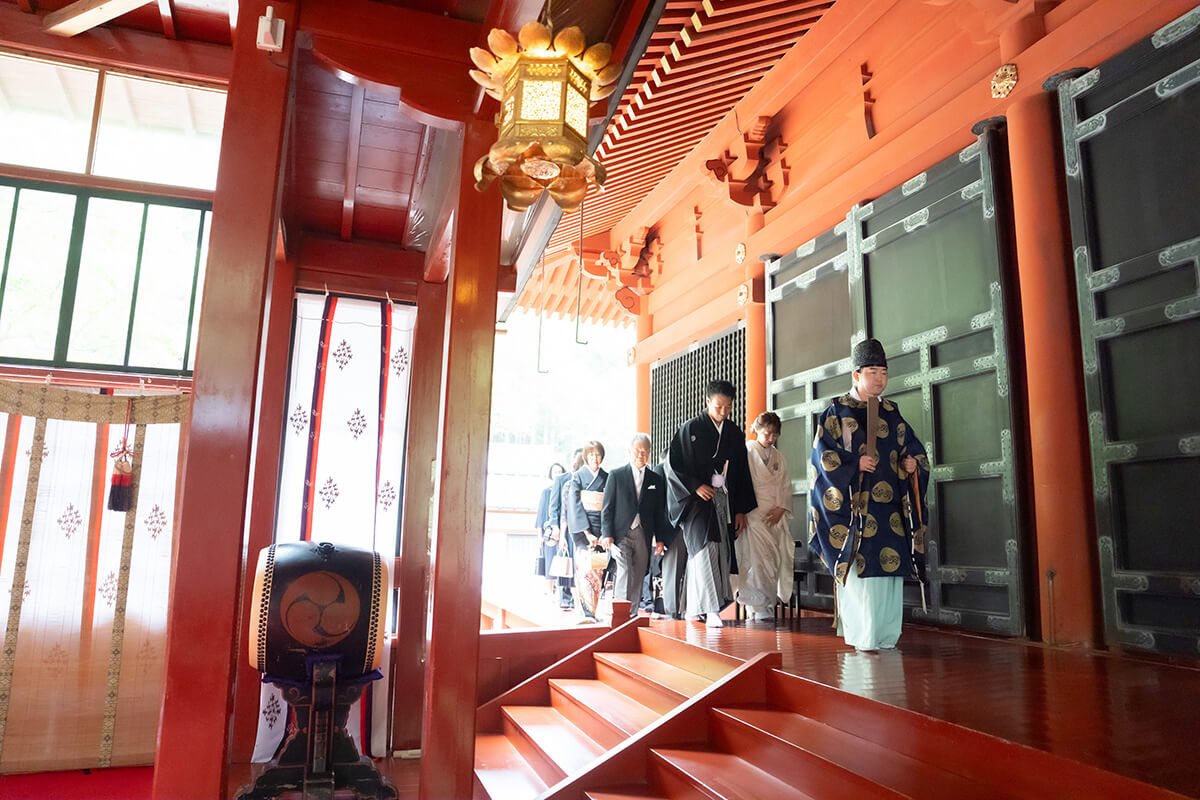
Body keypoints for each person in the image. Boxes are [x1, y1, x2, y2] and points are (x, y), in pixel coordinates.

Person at [809, 338, 930, 651]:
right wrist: (853, 462)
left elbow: (913, 448)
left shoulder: (892, 411)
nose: (879, 379)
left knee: (888, 577)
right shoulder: (835, 412)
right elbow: (823, 458)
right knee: (861, 578)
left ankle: (887, 637)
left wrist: (912, 463)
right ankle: (863, 637)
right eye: (872, 372)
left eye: (884, 373)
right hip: (855, 512)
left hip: (890, 510)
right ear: (856, 375)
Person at [664, 380, 756, 628]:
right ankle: (712, 610)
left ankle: (694, 608)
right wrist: (695, 486)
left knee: (719, 551)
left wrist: (740, 510)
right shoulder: (690, 428)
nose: (724, 411)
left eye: (728, 407)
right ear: (707, 402)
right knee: (704, 550)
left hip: (723, 499)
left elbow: (742, 472)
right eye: (718, 406)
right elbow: (672, 465)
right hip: (695, 503)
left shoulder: (734, 433)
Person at [600, 433, 673, 618]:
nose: (641, 455)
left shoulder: (655, 479)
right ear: (629, 452)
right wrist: (607, 534)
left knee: (639, 573)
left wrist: (661, 538)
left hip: (643, 533)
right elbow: (607, 508)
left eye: (645, 451)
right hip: (621, 533)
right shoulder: (616, 475)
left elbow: (659, 511)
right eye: (637, 451)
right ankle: (621, 614)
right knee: (624, 571)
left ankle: (631, 615)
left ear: (649, 453)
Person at [734, 411, 795, 622]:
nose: (771, 438)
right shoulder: (747, 452)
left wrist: (781, 508)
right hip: (754, 513)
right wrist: (741, 510)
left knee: (773, 560)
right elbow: (740, 484)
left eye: (774, 435)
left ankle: (766, 603)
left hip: (774, 516)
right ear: (757, 430)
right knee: (756, 561)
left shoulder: (779, 456)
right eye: (767, 433)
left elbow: (786, 485)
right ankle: (758, 606)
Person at [567, 441, 608, 622]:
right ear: (586, 457)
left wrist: (604, 533)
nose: (595, 458)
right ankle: (586, 612)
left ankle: (594, 609)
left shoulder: (607, 477)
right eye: (591, 455)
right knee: (585, 570)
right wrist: (587, 532)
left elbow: (610, 505)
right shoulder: (578, 477)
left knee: (598, 570)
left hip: (601, 530)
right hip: (585, 532)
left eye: (598, 455)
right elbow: (574, 505)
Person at [549, 449, 583, 609]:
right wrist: (555, 526)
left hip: (587, 529)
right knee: (566, 560)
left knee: (587, 565)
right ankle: (565, 598)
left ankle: (584, 601)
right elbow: (555, 505)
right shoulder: (563, 480)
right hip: (567, 526)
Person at [535, 463, 566, 595]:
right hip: (549, 533)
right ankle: (550, 592)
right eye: (555, 472)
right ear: (551, 474)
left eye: (560, 472)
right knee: (550, 561)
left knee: (564, 562)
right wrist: (539, 536)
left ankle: (562, 594)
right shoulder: (546, 492)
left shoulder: (567, 490)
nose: (557, 474)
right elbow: (540, 516)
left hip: (564, 532)